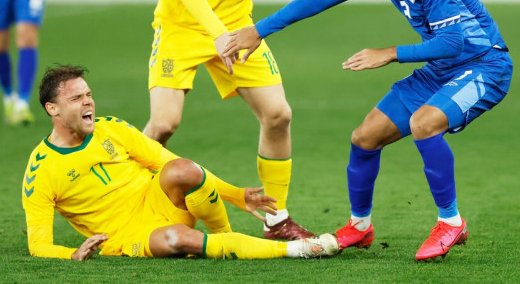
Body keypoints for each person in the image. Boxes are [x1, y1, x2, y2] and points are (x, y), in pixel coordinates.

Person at [224, 0, 513, 261]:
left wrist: (389, 54)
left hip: (484, 66)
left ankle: (451, 222)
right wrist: (258, 30)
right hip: (442, 68)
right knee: (364, 138)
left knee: (425, 123)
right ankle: (359, 227)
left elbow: (453, 43)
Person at [143, 0, 317, 241]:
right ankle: (128, 202)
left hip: (235, 25)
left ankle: (277, 220)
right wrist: (217, 34)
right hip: (182, 25)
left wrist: (230, 31)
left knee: (278, 114)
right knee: (163, 125)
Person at [21, 64, 338, 260]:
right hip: (127, 236)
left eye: (88, 94)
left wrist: (236, 196)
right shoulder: (41, 169)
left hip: (158, 200)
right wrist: (72, 254)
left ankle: (222, 236)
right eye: (77, 99)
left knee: (182, 168)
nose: (88, 101)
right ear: (53, 109)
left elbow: (167, 160)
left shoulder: (111, 127)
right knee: (176, 240)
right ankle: (297, 250)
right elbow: (38, 244)